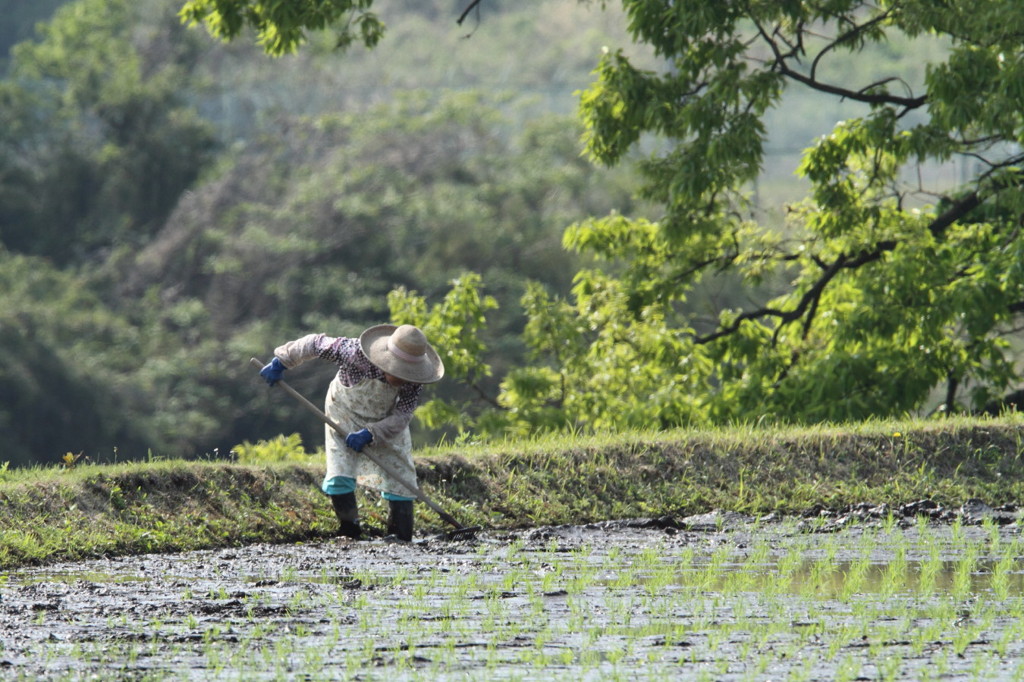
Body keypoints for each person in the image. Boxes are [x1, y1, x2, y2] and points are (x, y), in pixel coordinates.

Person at [259, 324, 444, 542]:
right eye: (399, 371)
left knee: (401, 475)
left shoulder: (415, 379)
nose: (403, 378)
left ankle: (400, 536)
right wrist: (282, 361)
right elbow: (314, 344)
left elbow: (402, 415)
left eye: (407, 373)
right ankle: (350, 532)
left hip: (385, 421)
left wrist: (372, 433)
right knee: (340, 470)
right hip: (344, 412)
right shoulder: (353, 352)